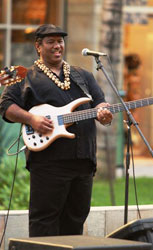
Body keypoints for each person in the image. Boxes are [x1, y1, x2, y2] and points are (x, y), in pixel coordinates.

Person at [0, 24, 113, 237]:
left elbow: (100, 104)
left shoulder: (83, 76)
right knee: (45, 220)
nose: (57, 45)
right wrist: (31, 118)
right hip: (49, 163)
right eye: (50, 41)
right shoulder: (26, 76)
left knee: (75, 220)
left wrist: (104, 113)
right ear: (38, 46)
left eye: (60, 41)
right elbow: (6, 106)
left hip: (83, 161)